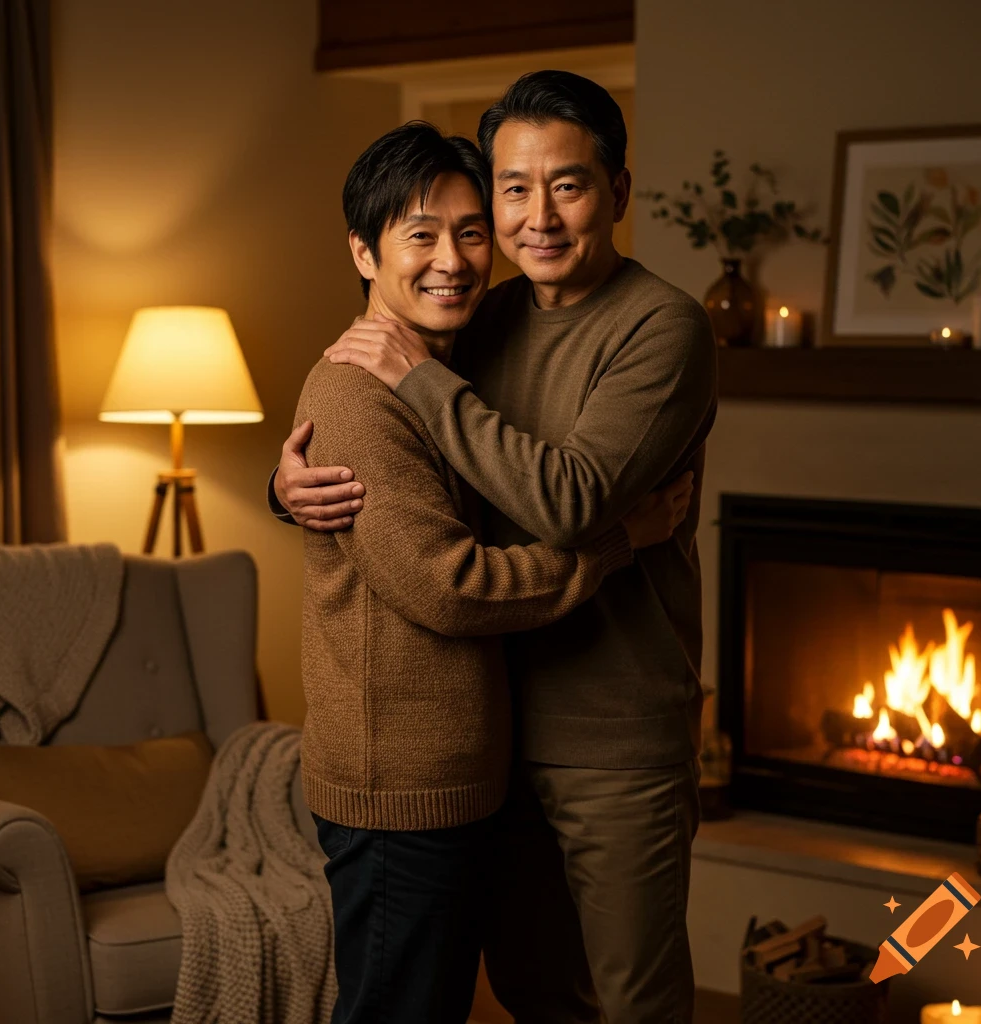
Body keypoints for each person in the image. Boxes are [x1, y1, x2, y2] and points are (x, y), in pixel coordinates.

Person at [291, 120, 693, 1024]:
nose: (453, 259)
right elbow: (447, 585)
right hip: (399, 783)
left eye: (470, 231)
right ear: (363, 251)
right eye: (421, 235)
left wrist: (287, 492)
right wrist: (615, 543)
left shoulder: (462, 355)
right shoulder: (359, 389)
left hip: (466, 770)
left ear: (616, 193)